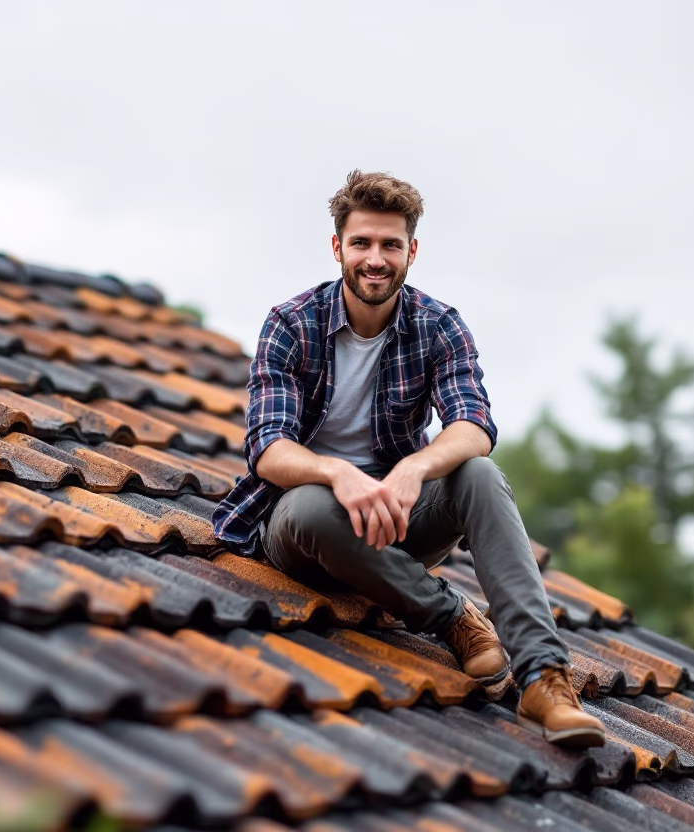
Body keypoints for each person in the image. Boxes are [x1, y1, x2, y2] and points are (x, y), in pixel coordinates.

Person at [213, 170, 606, 747]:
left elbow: (474, 427)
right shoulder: (290, 323)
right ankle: (451, 617)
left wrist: (413, 470)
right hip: (306, 529)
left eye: (390, 245)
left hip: (398, 522)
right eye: (363, 243)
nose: (376, 259)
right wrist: (338, 474)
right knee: (312, 509)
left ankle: (544, 677)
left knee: (478, 472)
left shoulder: (439, 325)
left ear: (411, 251)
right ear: (338, 248)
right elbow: (267, 449)